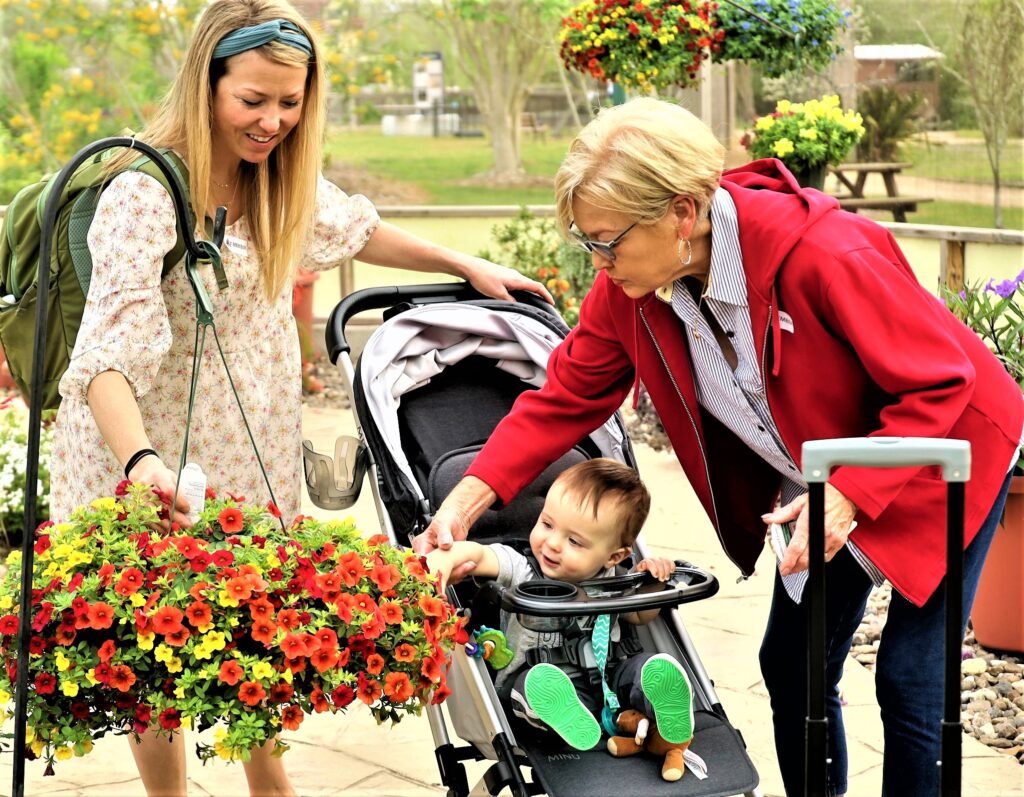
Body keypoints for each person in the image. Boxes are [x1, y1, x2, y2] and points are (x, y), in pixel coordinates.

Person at [415, 98, 1024, 797]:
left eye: (608, 241)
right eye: (588, 242)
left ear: (683, 214)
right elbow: (564, 397)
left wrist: (848, 495)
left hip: (944, 447)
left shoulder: (829, 254)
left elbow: (941, 381)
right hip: (828, 462)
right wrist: (466, 498)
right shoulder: (632, 289)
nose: (598, 261)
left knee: (911, 677)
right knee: (791, 663)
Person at [47, 1, 550, 795]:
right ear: (206, 82)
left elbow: (354, 228)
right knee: (152, 635)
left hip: (247, 434)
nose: (273, 120)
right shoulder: (143, 192)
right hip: (139, 437)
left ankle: (270, 784)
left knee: (256, 617)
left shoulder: (276, 176)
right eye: (253, 100)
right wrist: (141, 462)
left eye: (291, 102)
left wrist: (467, 263)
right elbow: (105, 356)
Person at [426, 458, 695, 756]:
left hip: (611, 681)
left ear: (614, 557)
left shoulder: (615, 579)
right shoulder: (522, 570)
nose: (552, 543)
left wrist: (652, 582)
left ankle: (663, 697)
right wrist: (445, 560)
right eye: (546, 524)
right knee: (531, 689)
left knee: (642, 668)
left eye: (575, 542)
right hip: (537, 676)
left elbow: (639, 615)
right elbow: (477, 555)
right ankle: (563, 715)